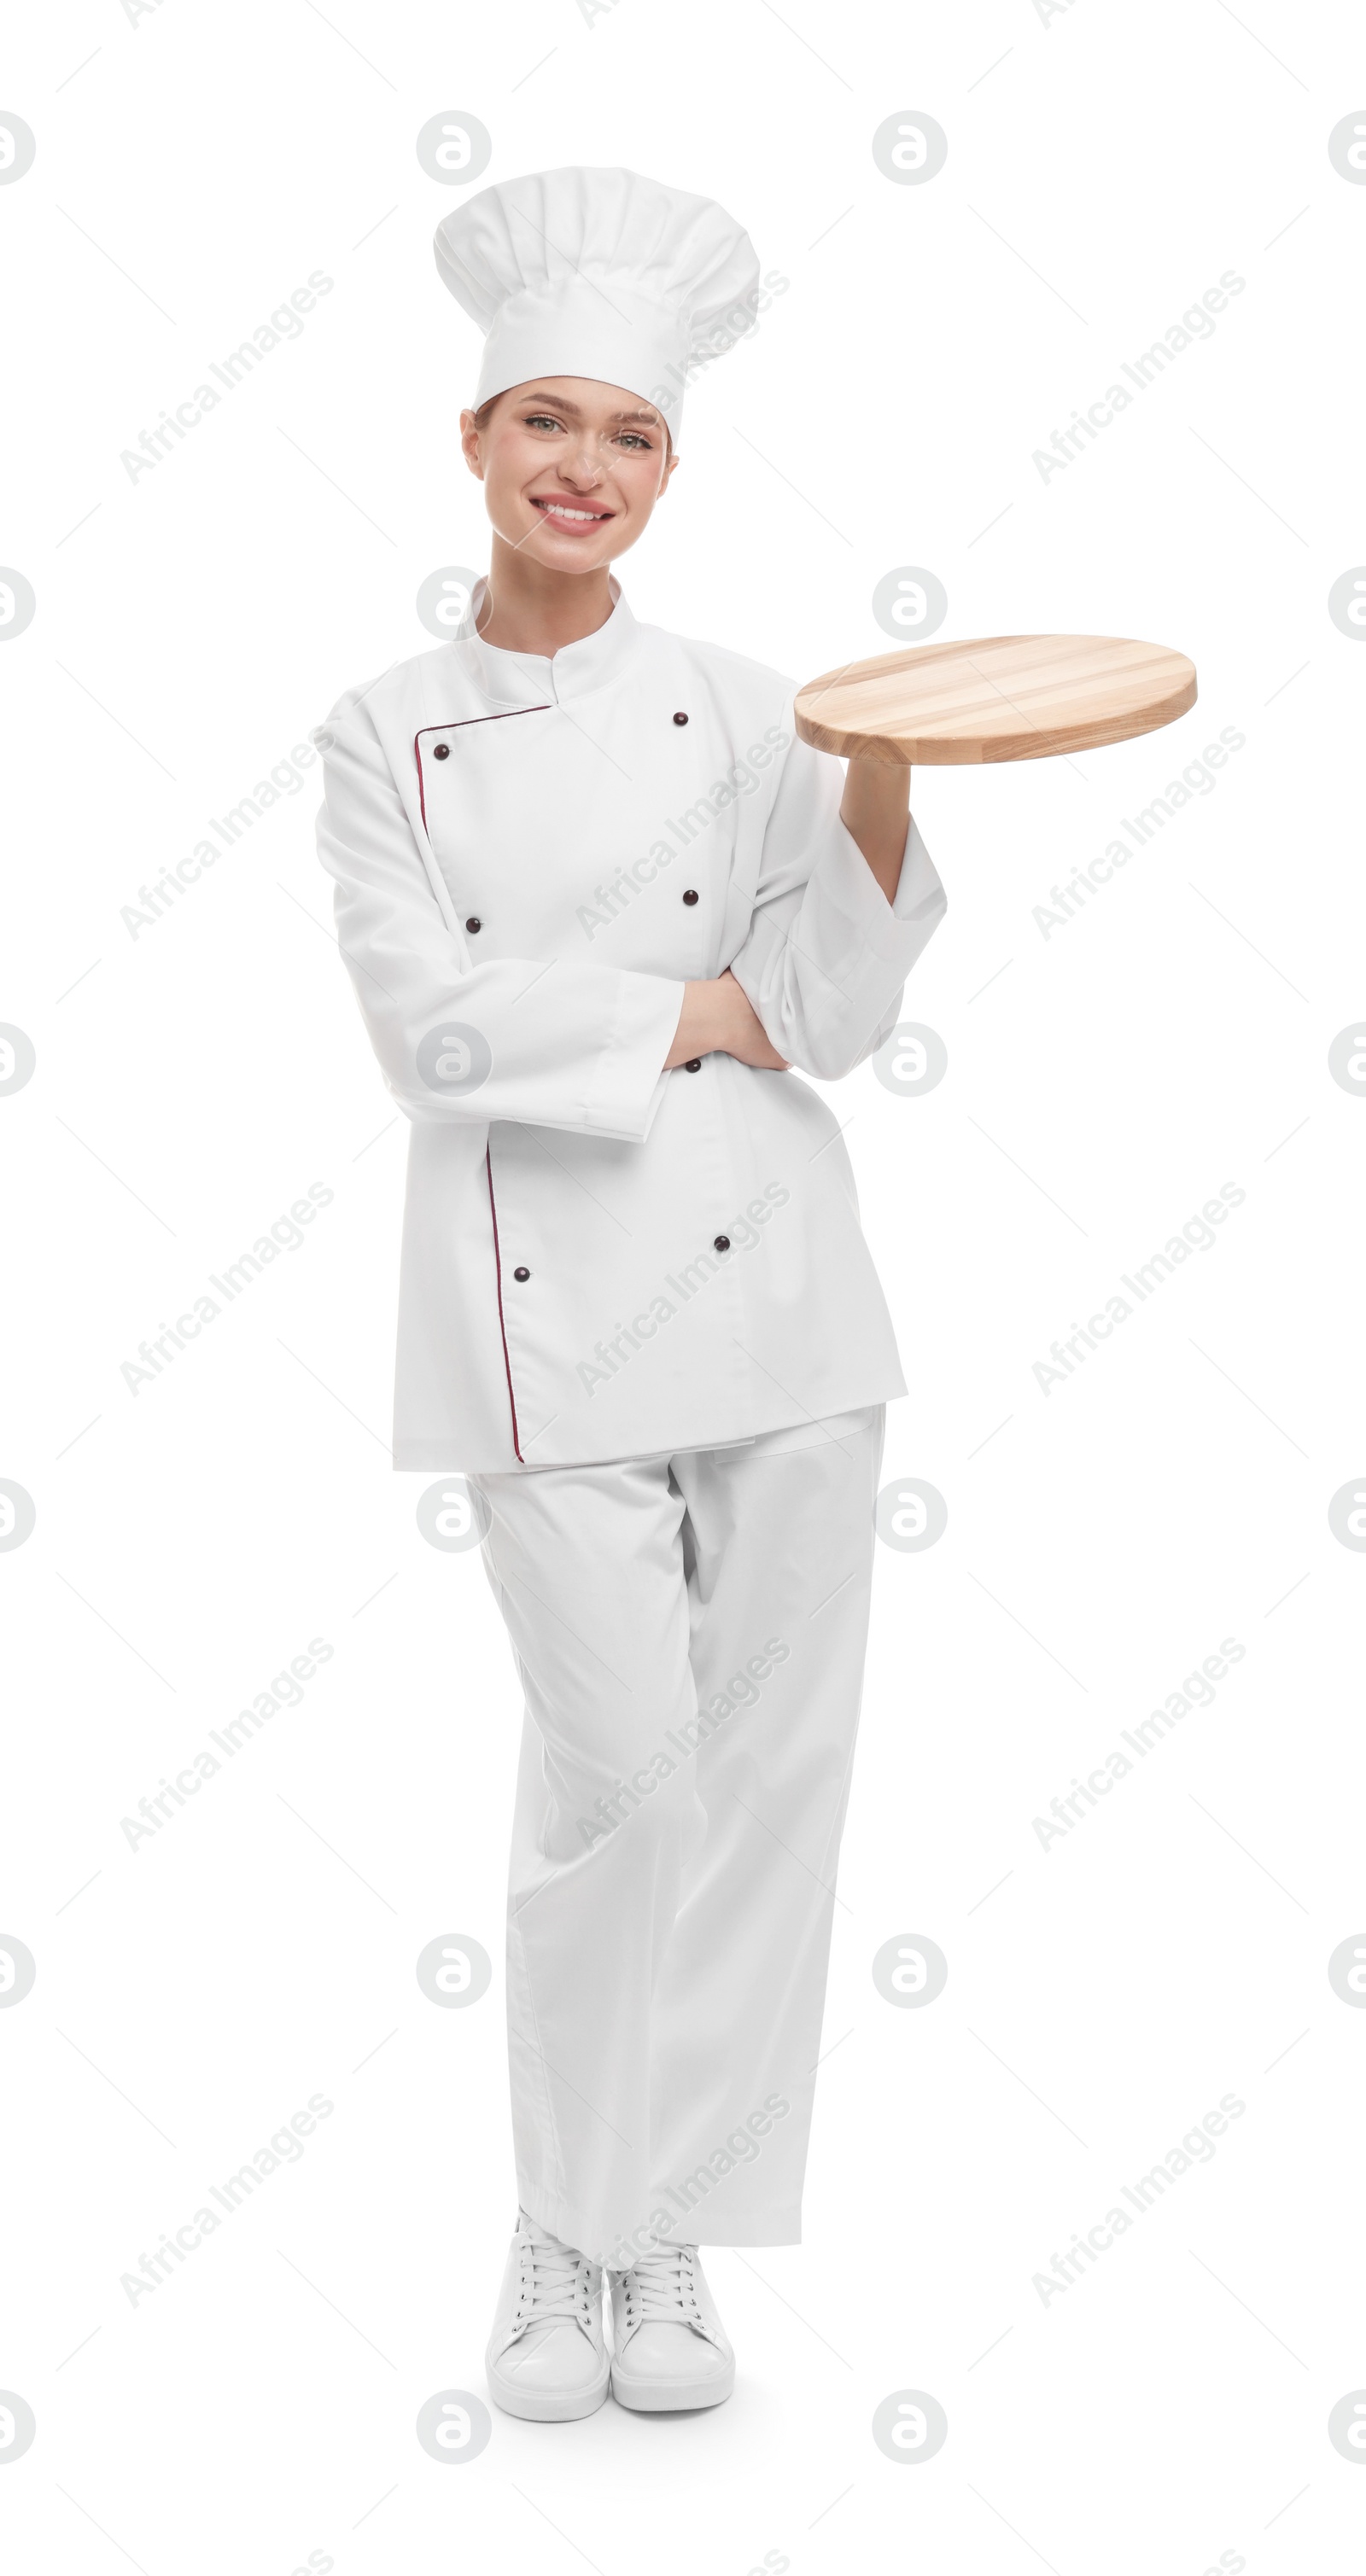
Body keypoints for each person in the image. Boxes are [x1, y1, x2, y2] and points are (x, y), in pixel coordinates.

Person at [313, 164, 948, 2422]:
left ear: (672, 468)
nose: (588, 470)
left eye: (635, 438)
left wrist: (872, 808)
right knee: (623, 1770)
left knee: (765, 1774)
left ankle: (647, 2228)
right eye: (548, 425)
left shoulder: (771, 706)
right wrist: (683, 1011)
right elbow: (434, 1031)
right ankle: (561, 2213)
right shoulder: (381, 730)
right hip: (532, 1315)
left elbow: (827, 1005)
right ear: (476, 443)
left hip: (777, 1290)